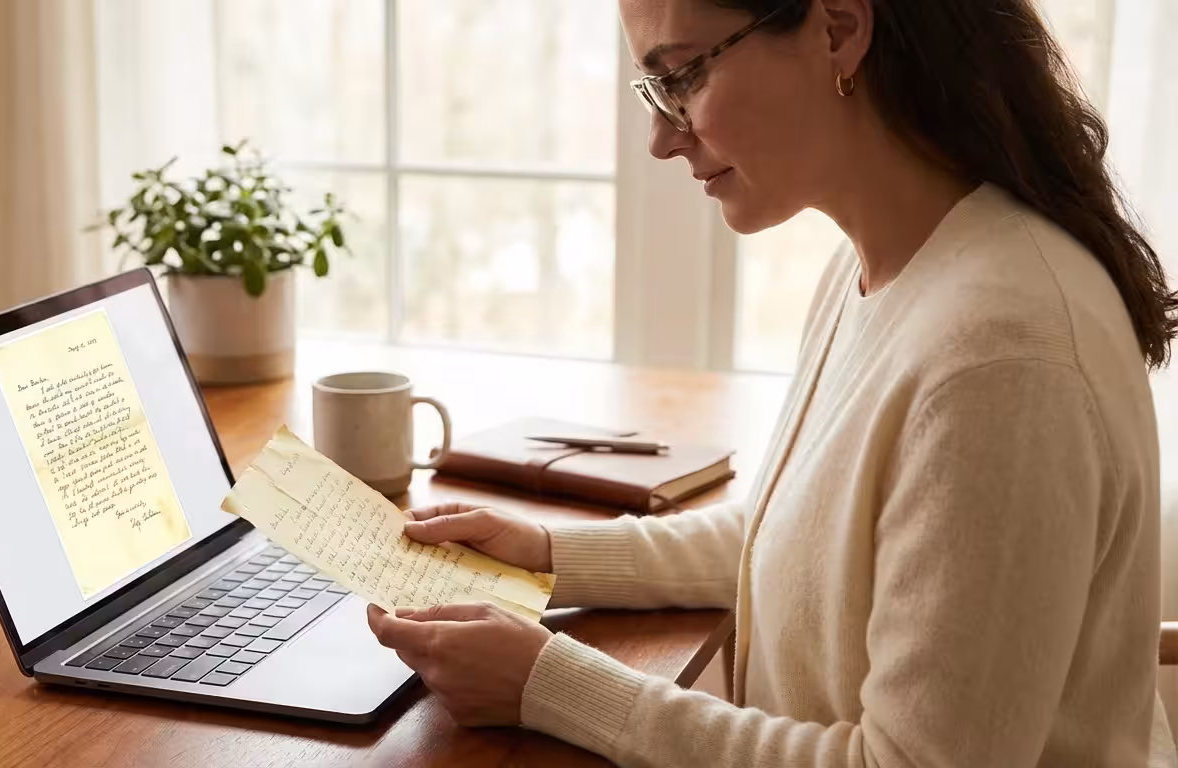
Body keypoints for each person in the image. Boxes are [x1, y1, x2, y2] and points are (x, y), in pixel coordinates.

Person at [367, 0, 1178, 764]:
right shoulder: (883, 268)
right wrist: (545, 558)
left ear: (837, 29)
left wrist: (550, 684)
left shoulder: (999, 359)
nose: (659, 136)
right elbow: (809, 534)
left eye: (682, 77)